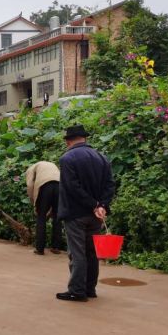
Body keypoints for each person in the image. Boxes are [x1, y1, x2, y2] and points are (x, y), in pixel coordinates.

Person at [56, 125, 115, 302]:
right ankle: (90, 289)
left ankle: (77, 290)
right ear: (85, 138)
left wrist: (93, 204)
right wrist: (101, 205)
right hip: (96, 215)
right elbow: (110, 185)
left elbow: (72, 187)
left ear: (68, 141)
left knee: (77, 252)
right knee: (91, 252)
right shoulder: (101, 157)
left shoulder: (67, 158)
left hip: (75, 213)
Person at [26, 160, 63, 255]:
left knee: (41, 217)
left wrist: (34, 202)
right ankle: (56, 247)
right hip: (59, 186)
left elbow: (30, 185)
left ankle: (40, 249)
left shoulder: (31, 169)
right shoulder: (52, 165)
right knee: (57, 217)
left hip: (44, 186)